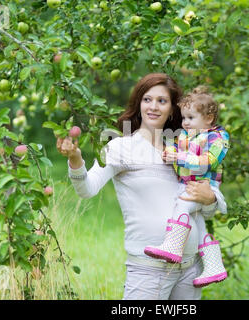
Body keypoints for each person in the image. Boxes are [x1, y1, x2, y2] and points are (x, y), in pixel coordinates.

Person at [56, 73, 227, 300]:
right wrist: (76, 160)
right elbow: (87, 189)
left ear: (172, 109)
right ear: (139, 103)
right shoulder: (121, 147)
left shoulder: (182, 149)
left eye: (162, 101)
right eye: (147, 99)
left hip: (189, 269)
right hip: (149, 268)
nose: (153, 107)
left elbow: (203, 209)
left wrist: (211, 199)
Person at [144, 86, 230, 288]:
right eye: (184, 118)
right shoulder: (185, 135)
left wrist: (180, 157)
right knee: (198, 224)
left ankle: (173, 246)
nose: (185, 122)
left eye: (191, 118)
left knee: (182, 207)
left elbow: (208, 162)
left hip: (205, 186)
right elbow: (175, 150)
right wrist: (170, 154)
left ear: (208, 119)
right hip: (188, 185)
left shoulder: (217, 138)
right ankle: (214, 265)